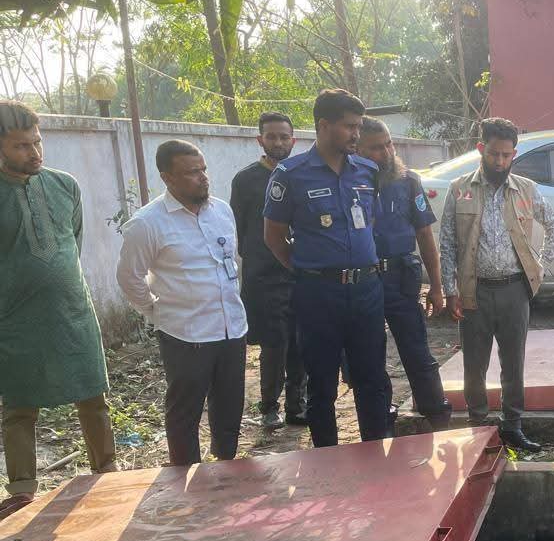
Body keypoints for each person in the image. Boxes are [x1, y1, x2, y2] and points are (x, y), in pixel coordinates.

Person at [0, 100, 115, 520]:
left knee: (93, 396)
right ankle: (22, 491)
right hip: (14, 319)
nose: (34, 152)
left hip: (73, 312)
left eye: (37, 141)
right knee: (19, 407)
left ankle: (108, 473)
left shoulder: (65, 185)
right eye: (21, 146)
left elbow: (73, 243)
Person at [264, 89, 387, 447]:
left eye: (358, 127)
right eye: (349, 127)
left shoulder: (367, 171)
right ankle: (327, 463)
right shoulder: (291, 175)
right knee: (321, 383)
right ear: (323, 125)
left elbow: (370, 222)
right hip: (318, 294)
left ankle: (376, 456)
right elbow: (273, 236)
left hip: (366, 290)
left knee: (372, 378)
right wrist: (308, 270)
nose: (356, 134)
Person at [118, 140, 248, 466]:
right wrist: (156, 311)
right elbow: (130, 278)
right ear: (167, 178)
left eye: (203, 169)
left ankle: (226, 467)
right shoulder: (147, 223)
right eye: (191, 172)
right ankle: (184, 475)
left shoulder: (221, 211)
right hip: (186, 334)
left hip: (231, 327)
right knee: (185, 411)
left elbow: (230, 262)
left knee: (230, 405)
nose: (203, 177)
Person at [439, 117, 554, 452]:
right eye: (494, 154)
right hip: (474, 291)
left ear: (514, 154)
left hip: (514, 290)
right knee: (474, 364)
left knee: (513, 363)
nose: (499, 161)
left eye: (506, 155)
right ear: (481, 148)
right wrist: (451, 290)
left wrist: (540, 265)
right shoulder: (459, 189)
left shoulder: (526, 189)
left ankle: (512, 425)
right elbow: (447, 242)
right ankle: (478, 425)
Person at [357, 116, 452, 431]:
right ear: (357, 149)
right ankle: (382, 419)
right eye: (375, 148)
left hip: (401, 277)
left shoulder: (408, 181)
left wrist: (436, 285)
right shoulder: (349, 183)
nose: (385, 153)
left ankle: (436, 414)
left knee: (416, 349)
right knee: (370, 354)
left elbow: (425, 235)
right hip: (364, 280)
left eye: (389, 145)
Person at [230, 110, 306, 431]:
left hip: (300, 273)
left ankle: (297, 405)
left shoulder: (303, 175)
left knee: (300, 340)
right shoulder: (245, 180)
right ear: (260, 140)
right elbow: (239, 228)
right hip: (264, 276)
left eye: (284, 137)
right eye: (271, 136)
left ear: (293, 140)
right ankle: (269, 407)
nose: (278, 142)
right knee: (274, 343)